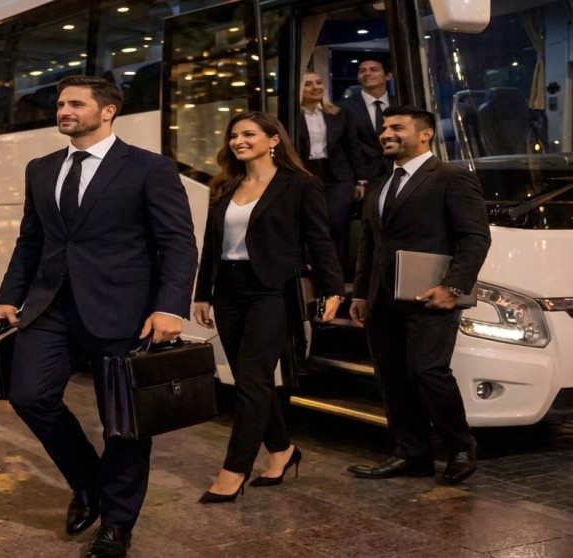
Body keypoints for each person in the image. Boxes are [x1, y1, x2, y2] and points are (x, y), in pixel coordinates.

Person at [0, 75, 197, 558]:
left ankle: (118, 524)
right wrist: (8, 296)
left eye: (76, 104)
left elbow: (177, 242)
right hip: (50, 307)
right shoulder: (41, 168)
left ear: (107, 111)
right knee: (29, 395)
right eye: (61, 103)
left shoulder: (149, 167)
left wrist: (170, 306)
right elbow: (31, 240)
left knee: (123, 422)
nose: (64, 110)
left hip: (125, 311)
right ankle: (89, 483)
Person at [192, 112, 344, 503]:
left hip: (273, 291)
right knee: (250, 379)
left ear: (274, 139)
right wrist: (202, 293)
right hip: (228, 290)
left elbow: (320, 240)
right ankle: (281, 450)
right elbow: (211, 243)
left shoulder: (301, 184)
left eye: (248, 134)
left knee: (253, 377)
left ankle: (234, 469)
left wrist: (333, 290)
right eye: (233, 135)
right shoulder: (225, 184)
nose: (238, 141)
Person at [347, 105, 490, 484]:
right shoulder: (379, 185)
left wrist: (454, 287)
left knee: (427, 371)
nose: (386, 134)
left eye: (397, 127)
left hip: (431, 296)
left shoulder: (451, 178)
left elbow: (475, 238)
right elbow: (369, 246)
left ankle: (461, 446)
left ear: (426, 134)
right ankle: (412, 453)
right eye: (384, 128)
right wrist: (359, 294)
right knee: (392, 377)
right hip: (381, 299)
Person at [296, 70, 363, 277]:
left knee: (337, 223)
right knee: (312, 224)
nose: (316, 87)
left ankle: (336, 275)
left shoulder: (338, 113)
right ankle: (312, 276)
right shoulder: (291, 116)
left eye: (318, 82)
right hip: (306, 173)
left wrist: (361, 180)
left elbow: (352, 146)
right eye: (308, 84)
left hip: (339, 176)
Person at [339, 56, 396, 197]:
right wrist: (359, 179)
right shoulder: (343, 107)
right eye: (362, 71)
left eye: (374, 70)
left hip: (398, 172)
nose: (367, 74)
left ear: (388, 76)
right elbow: (347, 146)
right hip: (362, 180)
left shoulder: (400, 103)